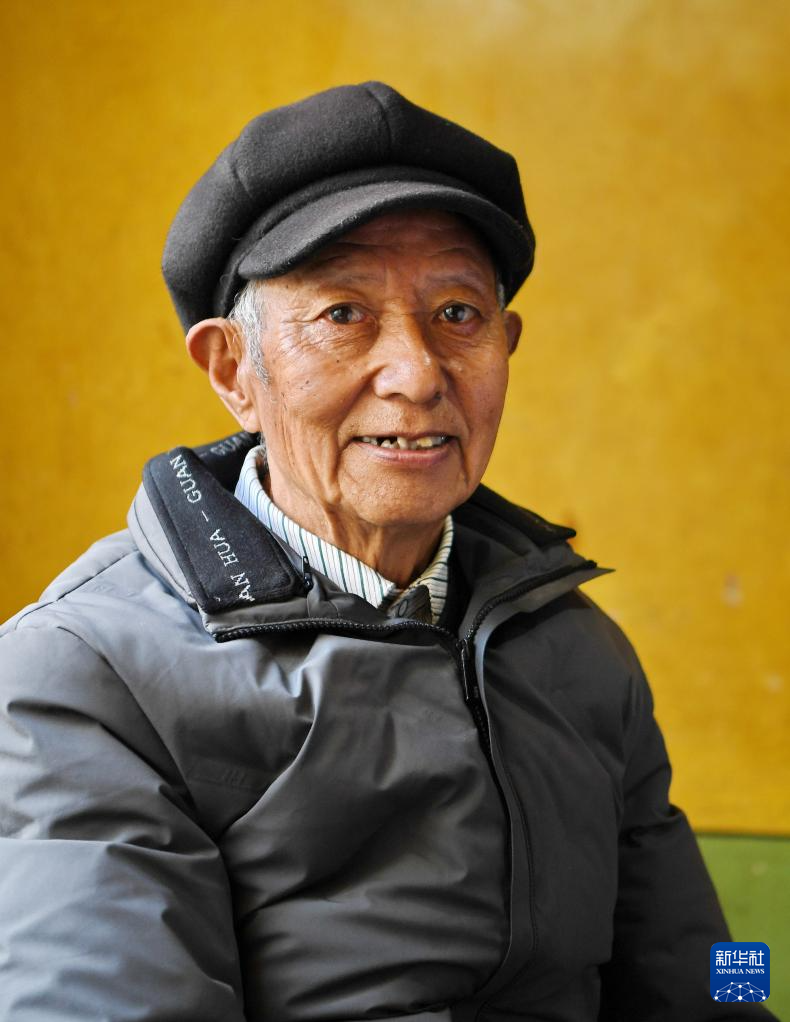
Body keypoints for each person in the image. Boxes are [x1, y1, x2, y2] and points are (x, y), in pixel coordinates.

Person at [0, 82, 775, 1022]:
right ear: (234, 370)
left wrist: (754, 996)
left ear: (506, 346)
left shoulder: (577, 650)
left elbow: (710, 970)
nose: (416, 373)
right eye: (343, 314)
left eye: (457, 314)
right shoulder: (85, 675)